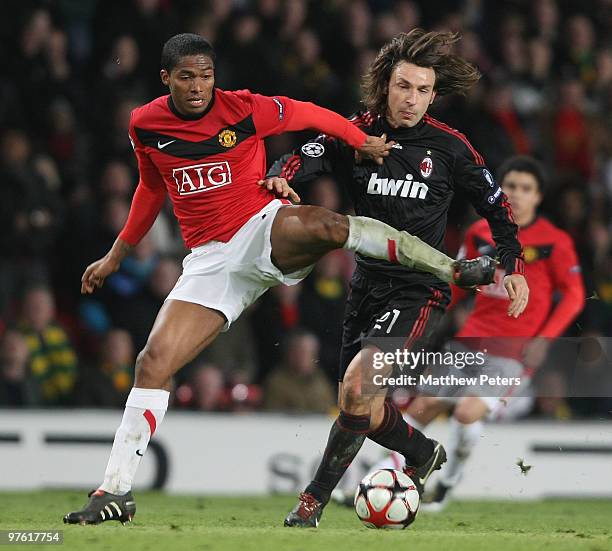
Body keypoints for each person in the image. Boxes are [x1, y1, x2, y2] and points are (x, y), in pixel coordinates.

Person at [63, 33, 493, 526]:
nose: (198, 86)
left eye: (205, 75)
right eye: (186, 77)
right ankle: (115, 491)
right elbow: (149, 187)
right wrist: (116, 254)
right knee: (152, 362)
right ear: (167, 80)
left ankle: (448, 267)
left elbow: (311, 114)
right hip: (209, 262)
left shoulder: (245, 108)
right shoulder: (144, 124)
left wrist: (361, 141)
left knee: (329, 225)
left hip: (262, 227)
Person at [267, 29, 529, 527]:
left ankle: (312, 501)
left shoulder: (450, 147)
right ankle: (423, 451)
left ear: (434, 94)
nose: (412, 100)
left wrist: (513, 265)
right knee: (358, 402)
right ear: (386, 84)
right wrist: (283, 173)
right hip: (365, 284)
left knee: (358, 387)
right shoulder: (358, 134)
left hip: (419, 289)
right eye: (404, 86)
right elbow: (306, 156)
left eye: (423, 90)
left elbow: (497, 205)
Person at [378, 155, 585, 511]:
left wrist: (544, 338)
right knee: (424, 403)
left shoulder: (555, 241)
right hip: (470, 339)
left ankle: (447, 482)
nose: (517, 195)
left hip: (514, 351)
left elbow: (575, 295)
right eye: (511, 187)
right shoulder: (478, 233)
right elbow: (457, 283)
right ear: (499, 191)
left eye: (526, 189)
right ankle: (383, 477)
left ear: (538, 197)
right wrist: (430, 315)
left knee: (466, 412)